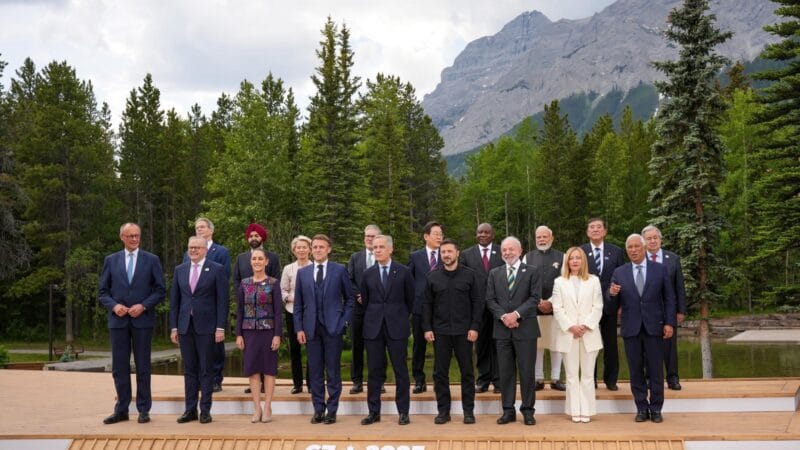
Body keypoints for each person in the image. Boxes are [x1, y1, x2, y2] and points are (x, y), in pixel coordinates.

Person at [99, 223, 166, 425]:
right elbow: (103, 292)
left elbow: (160, 290)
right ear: (122, 237)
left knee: (143, 366)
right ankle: (121, 409)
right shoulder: (111, 260)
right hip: (118, 321)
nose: (134, 239)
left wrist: (143, 306)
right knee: (119, 367)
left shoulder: (152, 260)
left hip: (142, 321)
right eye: (130, 236)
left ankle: (144, 409)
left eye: (137, 235)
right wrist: (114, 306)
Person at [610, 234, 676, 423]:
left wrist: (669, 323)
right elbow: (611, 304)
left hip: (655, 327)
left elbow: (669, 299)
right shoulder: (619, 272)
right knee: (635, 371)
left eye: (636, 246)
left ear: (644, 248)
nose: (633, 250)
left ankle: (656, 409)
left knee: (656, 370)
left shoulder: (660, 269)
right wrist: (611, 294)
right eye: (629, 247)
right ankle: (641, 408)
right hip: (631, 328)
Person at [293, 234, 355, 425]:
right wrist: (299, 328)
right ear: (311, 250)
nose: (318, 250)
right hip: (311, 329)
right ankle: (318, 410)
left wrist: (343, 322)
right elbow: (298, 305)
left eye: (321, 247)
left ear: (329, 249)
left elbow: (350, 299)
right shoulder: (303, 273)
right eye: (315, 247)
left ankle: (332, 411)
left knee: (333, 372)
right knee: (315, 372)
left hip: (333, 328)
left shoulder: (339, 270)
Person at [423, 239, 483, 425]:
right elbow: (427, 305)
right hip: (440, 332)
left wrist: (474, 327)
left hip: (464, 332)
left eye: (449, 251)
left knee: (467, 373)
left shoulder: (470, 276)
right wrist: (427, 328)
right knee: (440, 373)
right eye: (443, 252)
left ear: (457, 253)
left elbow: (478, 303)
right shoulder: (432, 277)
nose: (446, 255)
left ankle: (468, 412)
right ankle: (443, 412)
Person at [170, 236, 229, 424]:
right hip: (185, 326)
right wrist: (174, 327)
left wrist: (220, 327)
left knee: (206, 369)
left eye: (197, 247)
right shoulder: (180, 270)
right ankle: (190, 410)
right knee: (189, 370)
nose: (193, 250)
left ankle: (205, 410)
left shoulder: (216, 269)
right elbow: (175, 302)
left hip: (208, 327)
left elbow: (222, 301)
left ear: (205, 250)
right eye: (191, 247)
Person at [486, 236, 542, 426]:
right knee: (505, 373)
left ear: (520, 251)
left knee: (527, 372)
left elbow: (535, 298)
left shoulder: (532, 271)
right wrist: (504, 317)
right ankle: (508, 411)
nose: (508, 253)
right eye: (504, 250)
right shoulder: (494, 273)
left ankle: (528, 411)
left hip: (526, 330)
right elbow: (490, 300)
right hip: (502, 331)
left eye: (511, 249)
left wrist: (516, 315)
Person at [359, 234, 414, 426]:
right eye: (375, 247)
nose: (377, 250)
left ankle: (403, 412)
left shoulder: (404, 271)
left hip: (397, 327)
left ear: (390, 249)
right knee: (374, 371)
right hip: (373, 328)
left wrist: (398, 316)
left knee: (401, 370)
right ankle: (374, 412)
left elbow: (410, 300)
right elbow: (366, 301)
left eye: (381, 247)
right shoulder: (367, 274)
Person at [550, 247, 604, 423]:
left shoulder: (594, 281)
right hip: (568, 335)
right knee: (572, 376)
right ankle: (574, 410)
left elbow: (598, 306)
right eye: (571, 258)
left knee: (588, 375)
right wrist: (571, 327)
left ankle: (586, 410)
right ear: (567, 261)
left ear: (583, 261)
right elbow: (557, 308)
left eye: (578, 258)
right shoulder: (559, 282)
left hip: (589, 334)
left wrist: (586, 326)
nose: (574, 261)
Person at [183, 217, 231, 393]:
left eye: (202, 227)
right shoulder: (188, 252)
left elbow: (224, 278)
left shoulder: (221, 252)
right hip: (192, 309)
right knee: (195, 349)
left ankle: (216, 379)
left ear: (211, 230)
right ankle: (198, 380)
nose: (199, 230)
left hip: (212, 306)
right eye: (197, 227)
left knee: (215, 347)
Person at [233, 223, 282, 395]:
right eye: (251, 236)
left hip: (267, 310)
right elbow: (236, 280)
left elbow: (276, 280)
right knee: (251, 357)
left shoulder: (273, 257)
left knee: (268, 358)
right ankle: (254, 384)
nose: (254, 238)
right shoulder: (241, 258)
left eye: (257, 235)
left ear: (262, 238)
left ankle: (265, 387)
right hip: (248, 312)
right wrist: (243, 295)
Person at [235, 248, 282, 423]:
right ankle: (257, 408)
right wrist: (238, 334)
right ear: (250, 262)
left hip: (268, 331)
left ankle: (268, 406)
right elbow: (240, 311)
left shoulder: (273, 283)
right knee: (252, 370)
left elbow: (278, 312)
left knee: (269, 369)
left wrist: (277, 335)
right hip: (249, 332)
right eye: (254, 259)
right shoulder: (244, 283)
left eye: (260, 259)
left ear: (266, 261)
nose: (257, 262)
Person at [580, 217, 625, 391]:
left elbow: (622, 277)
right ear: (587, 232)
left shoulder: (616, 251)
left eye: (599, 227)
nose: (595, 230)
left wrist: (621, 304)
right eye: (592, 227)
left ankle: (611, 380)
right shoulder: (581, 252)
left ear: (605, 231)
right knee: (589, 345)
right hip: (587, 307)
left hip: (610, 305)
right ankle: (590, 379)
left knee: (611, 345)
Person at [459, 223, 503, 394]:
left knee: (499, 344)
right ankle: (483, 379)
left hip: (499, 306)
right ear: (476, 234)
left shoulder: (502, 252)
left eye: (486, 232)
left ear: (493, 235)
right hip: (477, 307)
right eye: (480, 232)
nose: (483, 235)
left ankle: (499, 381)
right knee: (481, 344)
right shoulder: (466, 254)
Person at [642, 224, 687, 390]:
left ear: (660, 239)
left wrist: (680, 310)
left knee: (669, 347)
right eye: (649, 238)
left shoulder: (672, 258)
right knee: (648, 346)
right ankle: (649, 378)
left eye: (655, 238)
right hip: (647, 311)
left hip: (669, 310)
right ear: (644, 242)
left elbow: (679, 286)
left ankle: (672, 378)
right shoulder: (640, 259)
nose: (652, 241)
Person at [523, 225, 566, 392]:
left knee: (556, 345)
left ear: (551, 238)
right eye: (538, 237)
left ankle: (556, 378)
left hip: (557, 309)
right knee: (537, 345)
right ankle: (538, 378)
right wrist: (539, 302)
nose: (541, 240)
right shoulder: (527, 257)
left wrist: (551, 302)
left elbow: (565, 283)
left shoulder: (562, 257)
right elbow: (524, 282)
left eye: (545, 236)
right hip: (535, 308)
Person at [407, 221, 443, 394]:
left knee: (441, 347)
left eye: (441, 234)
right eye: (436, 234)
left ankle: (439, 380)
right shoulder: (415, 257)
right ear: (426, 236)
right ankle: (419, 380)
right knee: (419, 346)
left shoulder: (446, 254)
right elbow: (408, 282)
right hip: (420, 309)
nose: (439, 237)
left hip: (441, 309)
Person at [347, 224, 381, 394]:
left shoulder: (383, 257)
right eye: (367, 236)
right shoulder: (355, 257)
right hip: (358, 308)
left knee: (377, 346)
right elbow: (349, 280)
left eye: (373, 236)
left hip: (378, 308)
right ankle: (357, 381)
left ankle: (379, 381)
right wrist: (359, 295)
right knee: (357, 346)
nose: (369, 239)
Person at [280, 235, 313, 394]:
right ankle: (297, 384)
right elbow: (282, 290)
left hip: (311, 313)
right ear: (294, 250)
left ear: (309, 250)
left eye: (304, 247)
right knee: (295, 349)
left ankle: (312, 383)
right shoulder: (288, 269)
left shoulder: (315, 267)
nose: (301, 250)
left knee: (312, 348)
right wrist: (289, 298)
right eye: (298, 247)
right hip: (292, 311)